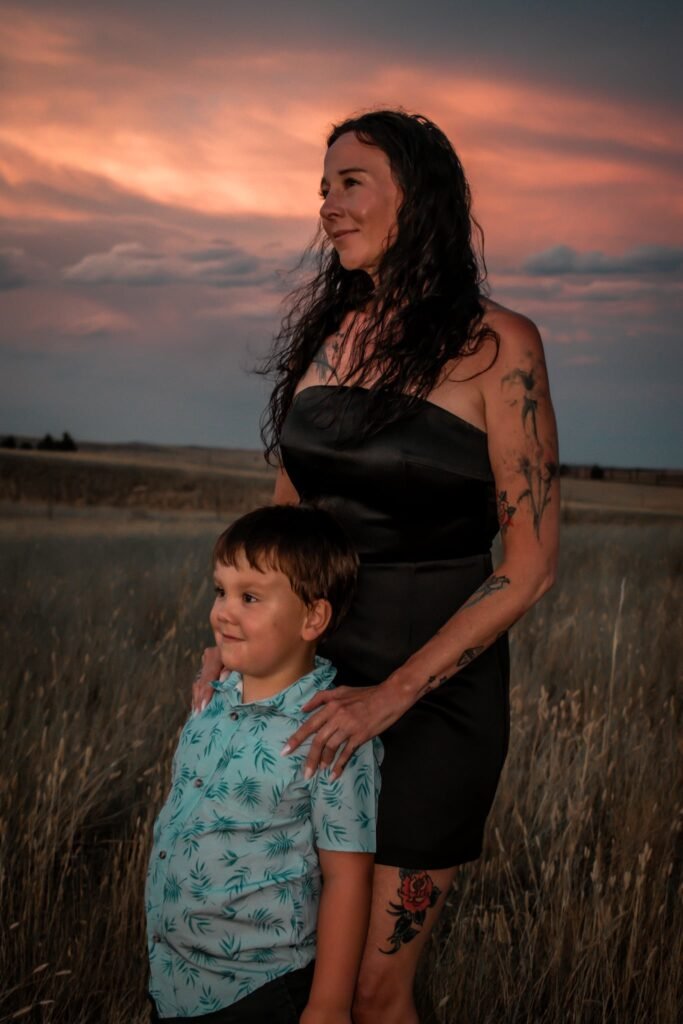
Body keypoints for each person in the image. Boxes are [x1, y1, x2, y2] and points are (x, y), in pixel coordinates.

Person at [194, 109, 560, 1023]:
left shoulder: (499, 346)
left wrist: (391, 697)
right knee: (303, 967)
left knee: (371, 987)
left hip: (431, 701)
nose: (327, 205)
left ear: (417, 196)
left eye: (350, 182)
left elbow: (529, 566)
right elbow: (286, 525)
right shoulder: (330, 337)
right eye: (322, 187)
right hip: (311, 687)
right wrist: (237, 642)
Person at [146, 504, 382, 1023]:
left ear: (313, 618)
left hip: (259, 989)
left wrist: (328, 1006)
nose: (223, 612)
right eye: (220, 591)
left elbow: (347, 879)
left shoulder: (330, 731)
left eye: (249, 597)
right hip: (172, 976)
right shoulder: (213, 696)